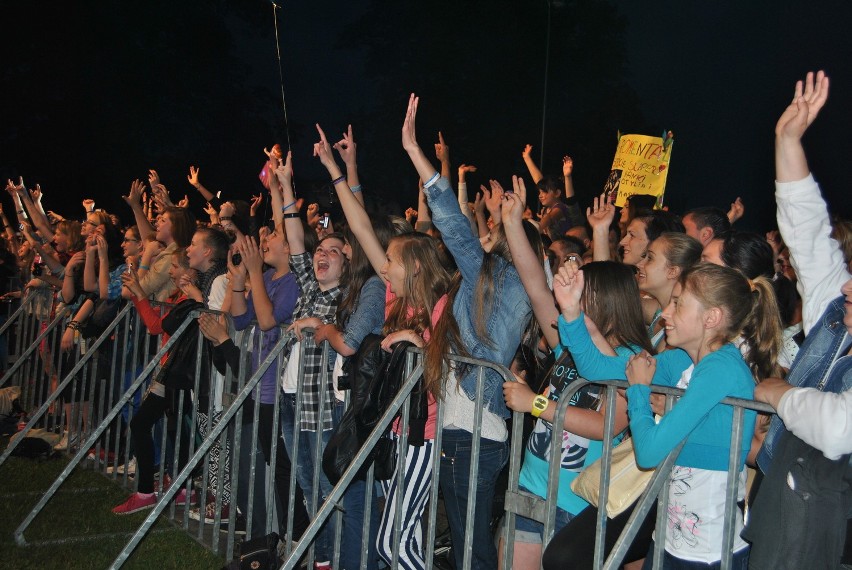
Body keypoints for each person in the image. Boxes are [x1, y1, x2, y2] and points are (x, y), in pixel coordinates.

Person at [556, 260, 781, 568]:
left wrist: (639, 391)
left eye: (678, 304)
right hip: (670, 541)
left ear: (711, 318)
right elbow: (599, 369)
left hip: (709, 553)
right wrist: (571, 312)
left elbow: (648, 453)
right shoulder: (683, 360)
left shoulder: (722, 370)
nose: (665, 313)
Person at [314, 122, 454, 570]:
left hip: (424, 437)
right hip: (398, 432)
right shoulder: (395, 294)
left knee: (395, 546)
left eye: (390, 260)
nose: (382, 264)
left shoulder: (440, 305)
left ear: (411, 267)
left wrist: (417, 338)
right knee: (393, 543)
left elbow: (442, 360)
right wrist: (336, 169)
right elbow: (359, 224)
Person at [402, 95, 534, 570]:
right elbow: (457, 231)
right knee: (464, 537)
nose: (487, 233)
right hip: (463, 424)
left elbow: (456, 231)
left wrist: (423, 162)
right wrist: (421, 160)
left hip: (475, 428)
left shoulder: (512, 280)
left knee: (470, 543)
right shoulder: (491, 277)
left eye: (495, 230)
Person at [743, 70, 852, 569]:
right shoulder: (837, 313)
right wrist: (787, 140)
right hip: (784, 502)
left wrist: (777, 393)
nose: (845, 287)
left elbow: (838, 428)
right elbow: (808, 233)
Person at [274, 150, 347, 570]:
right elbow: (296, 240)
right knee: (305, 484)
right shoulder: (308, 286)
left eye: (333, 252)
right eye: (321, 251)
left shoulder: (346, 299)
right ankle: (319, 556)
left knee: (323, 485)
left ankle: (331, 558)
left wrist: (313, 320)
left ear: (346, 262)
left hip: (322, 408)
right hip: (291, 401)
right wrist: (285, 186)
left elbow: (335, 331)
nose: (322, 255)